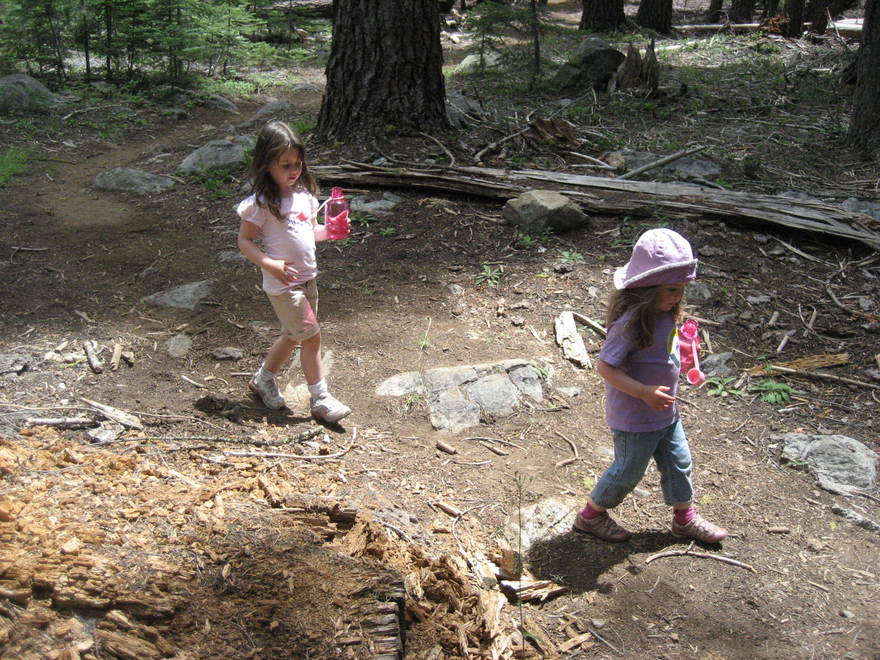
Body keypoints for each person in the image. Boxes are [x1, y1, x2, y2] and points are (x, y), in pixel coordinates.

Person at [573, 228, 726, 544]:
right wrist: (643, 392)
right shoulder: (630, 324)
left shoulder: (665, 313)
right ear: (646, 289)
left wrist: (685, 352)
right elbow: (605, 367)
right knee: (628, 471)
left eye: (682, 289)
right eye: (671, 289)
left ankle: (684, 519)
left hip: (666, 413)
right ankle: (590, 516)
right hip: (635, 418)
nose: (678, 296)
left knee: (679, 462)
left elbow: (661, 351)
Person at [236, 120, 351, 423]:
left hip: (308, 280)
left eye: (297, 164)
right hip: (284, 285)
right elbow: (244, 241)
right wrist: (269, 263)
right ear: (266, 165)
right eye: (285, 165)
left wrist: (332, 231)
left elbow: (312, 232)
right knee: (312, 337)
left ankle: (263, 380)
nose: (293, 170)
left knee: (292, 335)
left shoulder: (305, 197)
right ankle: (321, 400)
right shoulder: (261, 204)